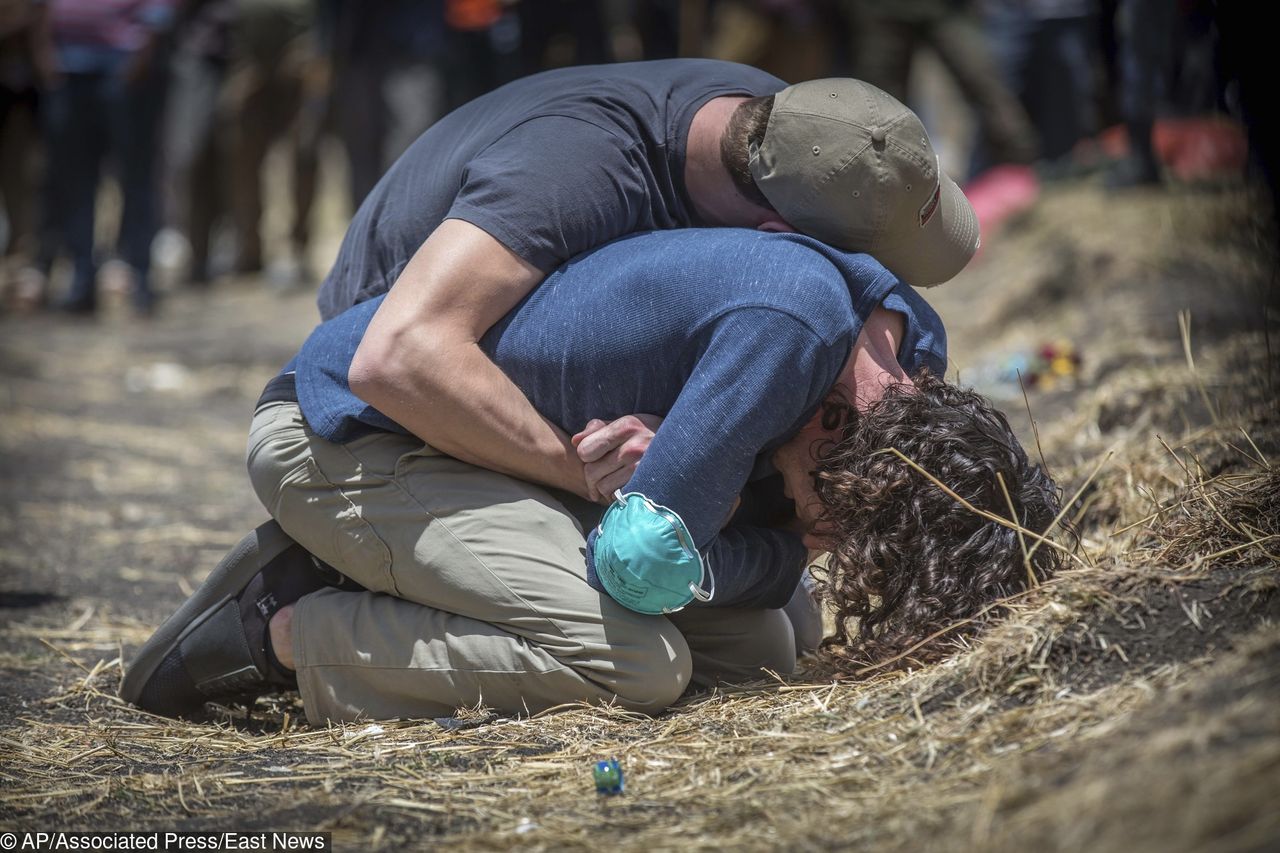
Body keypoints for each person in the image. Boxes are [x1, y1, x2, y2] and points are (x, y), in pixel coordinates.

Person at [122, 227, 1061, 723]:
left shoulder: (899, 352)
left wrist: (761, 545)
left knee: (765, 651)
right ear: (828, 425)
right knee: (637, 665)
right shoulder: (795, 336)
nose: (832, 541)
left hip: (494, 467)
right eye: (845, 517)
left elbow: (700, 546)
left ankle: (408, 572)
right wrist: (774, 551)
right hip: (348, 433)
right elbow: (639, 566)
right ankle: (288, 626)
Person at [310, 61, 981, 515]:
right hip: (399, 376)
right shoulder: (574, 171)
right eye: (859, 256)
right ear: (779, 234)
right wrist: (594, 480)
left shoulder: (792, 129)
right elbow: (399, 353)